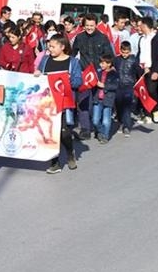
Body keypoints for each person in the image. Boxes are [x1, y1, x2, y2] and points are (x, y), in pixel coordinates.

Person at [36, 35, 81, 174]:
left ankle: (70, 153)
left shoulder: (73, 62)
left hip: (64, 102)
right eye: (49, 46)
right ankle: (54, 162)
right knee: (50, 132)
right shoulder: (45, 59)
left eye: (53, 46)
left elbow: (78, 81)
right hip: (47, 102)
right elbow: (39, 76)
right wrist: (37, 74)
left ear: (62, 47)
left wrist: (68, 81)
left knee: (63, 132)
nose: (50, 49)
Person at [72, 14, 114, 138]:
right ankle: (85, 129)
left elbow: (109, 56)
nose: (89, 28)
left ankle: (98, 127)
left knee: (97, 102)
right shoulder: (79, 37)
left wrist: (109, 70)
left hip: (99, 74)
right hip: (84, 74)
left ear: (96, 25)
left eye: (92, 25)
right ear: (83, 26)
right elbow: (73, 54)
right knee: (83, 102)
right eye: (87, 25)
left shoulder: (103, 38)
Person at [137, 17, 158, 124]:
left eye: (141, 26)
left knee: (152, 91)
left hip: (152, 69)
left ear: (145, 26)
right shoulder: (142, 39)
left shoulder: (156, 37)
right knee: (144, 92)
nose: (139, 28)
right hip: (142, 69)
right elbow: (140, 53)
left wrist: (156, 71)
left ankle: (155, 110)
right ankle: (147, 114)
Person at [114, 41, 141, 136]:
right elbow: (113, 70)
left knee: (127, 107)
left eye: (127, 52)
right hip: (118, 86)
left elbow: (138, 71)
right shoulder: (116, 60)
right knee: (119, 106)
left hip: (129, 86)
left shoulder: (134, 60)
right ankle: (121, 122)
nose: (125, 54)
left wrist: (143, 71)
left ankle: (126, 126)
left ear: (130, 51)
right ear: (120, 51)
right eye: (123, 52)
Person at [92, 53, 118, 144]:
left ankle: (105, 136)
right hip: (97, 99)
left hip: (108, 99)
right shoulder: (98, 72)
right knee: (95, 120)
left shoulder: (114, 73)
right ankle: (101, 131)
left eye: (103, 63)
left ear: (109, 64)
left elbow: (116, 85)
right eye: (100, 63)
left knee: (106, 120)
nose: (101, 65)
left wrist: (104, 86)